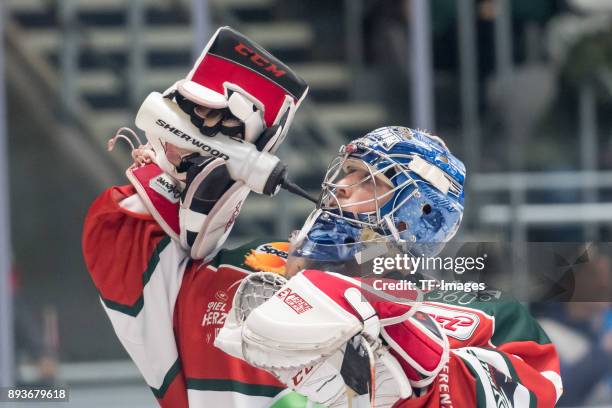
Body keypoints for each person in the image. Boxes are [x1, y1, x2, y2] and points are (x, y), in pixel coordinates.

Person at [83, 27, 562, 408]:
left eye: (371, 182)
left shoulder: (486, 316)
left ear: (422, 217)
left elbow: (521, 392)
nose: (340, 189)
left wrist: (395, 345)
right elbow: (120, 251)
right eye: (346, 173)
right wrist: (180, 166)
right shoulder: (234, 273)